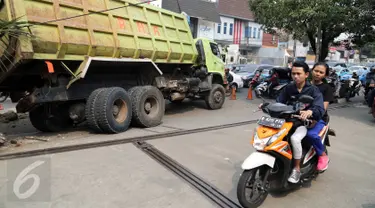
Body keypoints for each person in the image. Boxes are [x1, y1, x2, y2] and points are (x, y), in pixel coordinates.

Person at [276, 61, 325, 183]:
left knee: (295, 139)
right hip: (287, 120)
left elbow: (320, 108)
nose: (295, 76)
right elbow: (279, 102)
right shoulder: (288, 88)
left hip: (302, 123)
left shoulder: (313, 90)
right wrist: (268, 106)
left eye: (298, 73)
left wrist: (310, 112)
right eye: (293, 74)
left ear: (306, 74)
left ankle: (296, 169)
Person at [308, 62, 333, 171]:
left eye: (321, 72)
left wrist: (314, 117)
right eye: (316, 71)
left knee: (311, 134)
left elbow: (323, 108)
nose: (318, 74)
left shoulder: (326, 88)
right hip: (300, 116)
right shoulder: (305, 84)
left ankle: (322, 155)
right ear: (311, 71)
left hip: (319, 118)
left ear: (325, 75)